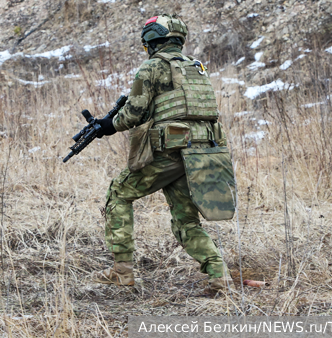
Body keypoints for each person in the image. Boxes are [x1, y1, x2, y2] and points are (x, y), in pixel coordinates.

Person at [92, 14, 235, 293]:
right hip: (200, 153)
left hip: (170, 152)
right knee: (186, 219)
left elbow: (133, 113)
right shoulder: (197, 68)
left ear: (151, 40)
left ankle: (121, 272)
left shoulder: (152, 67)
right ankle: (219, 276)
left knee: (119, 194)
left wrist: (109, 125)